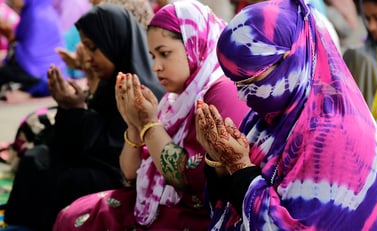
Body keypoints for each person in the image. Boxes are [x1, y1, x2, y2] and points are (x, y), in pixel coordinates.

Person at [195, 0, 377, 230]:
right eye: (237, 84)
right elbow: (231, 202)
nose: (241, 97)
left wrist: (240, 167)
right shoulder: (272, 114)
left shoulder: (337, 134)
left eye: (251, 82)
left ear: (291, 60)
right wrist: (219, 160)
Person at [52, 1, 250, 230]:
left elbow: (190, 181)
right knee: (75, 212)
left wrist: (148, 123)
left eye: (164, 54)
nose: (156, 66)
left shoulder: (221, 92)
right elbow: (129, 173)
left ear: (195, 44)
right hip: (164, 205)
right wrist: (134, 124)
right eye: (153, 56)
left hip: (199, 216)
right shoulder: (175, 98)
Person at [3, 3, 165, 230]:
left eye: (93, 48)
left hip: (124, 178)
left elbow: (113, 154)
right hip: (99, 164)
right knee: (37, 156)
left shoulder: (142, 90)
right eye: (85, 48)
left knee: (65, 179)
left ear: (113, 42)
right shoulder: (111, 82)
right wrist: (69, 107)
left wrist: (77, 110)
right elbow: (79, 142)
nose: (87, 58)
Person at [0, 0, 66, 102]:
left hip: (37, 76)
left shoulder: (32, 14)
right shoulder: (48, 10)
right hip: (58, 75)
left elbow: (16, 40)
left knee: (4, 71)